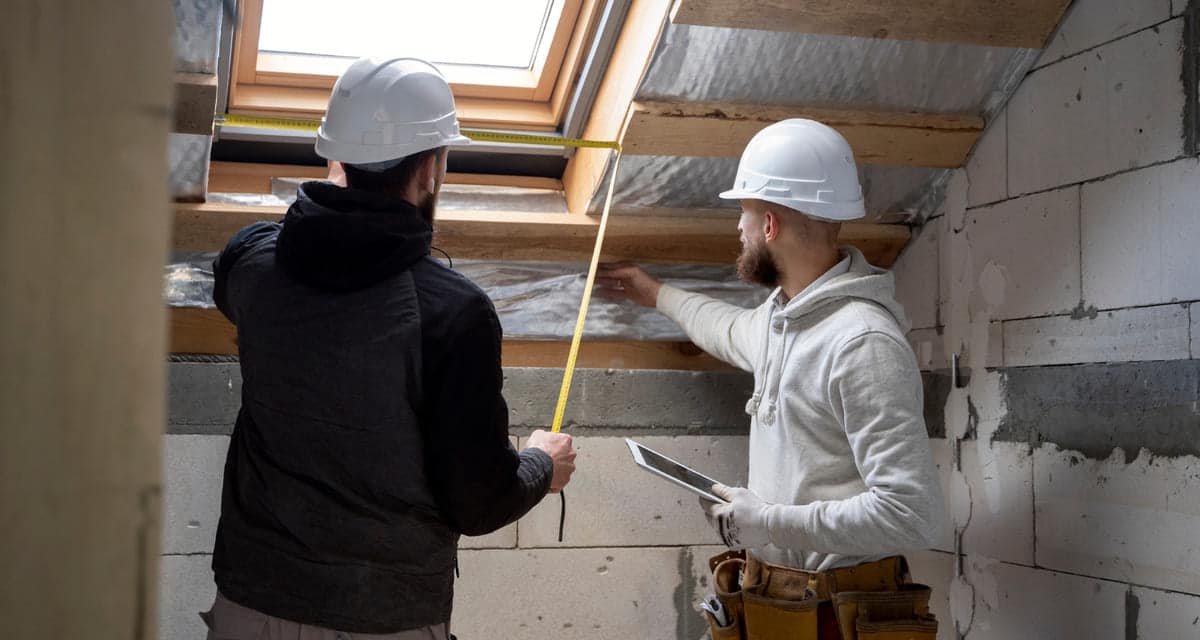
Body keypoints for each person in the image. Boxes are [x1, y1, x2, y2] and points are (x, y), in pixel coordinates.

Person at [205, 57, 577, 640]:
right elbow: (478, 502)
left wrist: (326, 211)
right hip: (384, 618)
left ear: (335, 159)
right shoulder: (453, 312)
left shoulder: (253, 266)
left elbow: (245, 272)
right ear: (430, 169)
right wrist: (541, 466)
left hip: (249, 605)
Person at [597, 119, 945, 639]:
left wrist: (770, 520)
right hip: (785, 604)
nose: (738, 228)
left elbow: (912, 514)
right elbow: (728, 329)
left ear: (770, 225)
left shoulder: (862, 342)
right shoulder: (783, 318)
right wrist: (654, 293)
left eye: (744, 212)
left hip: (839, 615)